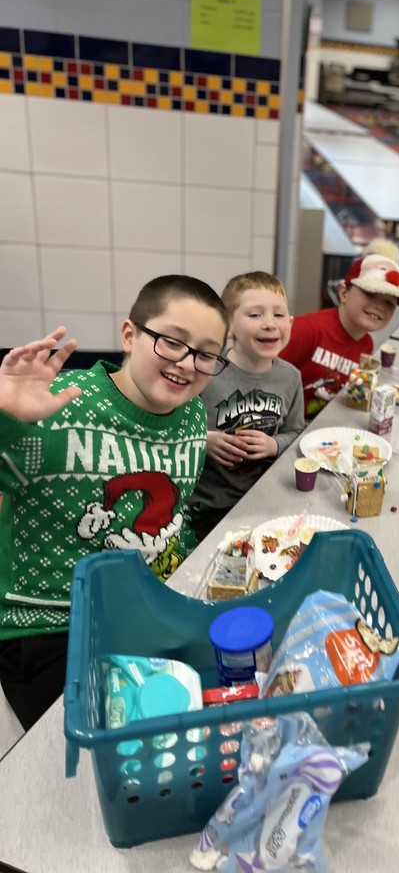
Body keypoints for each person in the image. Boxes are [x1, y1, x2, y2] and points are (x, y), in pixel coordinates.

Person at [0, 274, 229, 730]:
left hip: (152, 602)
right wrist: (3, 414)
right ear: (129, 335)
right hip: (50, 624)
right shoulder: (55, 404)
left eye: (206, 353)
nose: (187, 363)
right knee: (98, 757)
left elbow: (174, 512)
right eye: (171, 341)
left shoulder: (192, 414)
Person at [188, 272, 304, 542]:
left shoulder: (290, 377)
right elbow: (170, 429)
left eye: (278, 314)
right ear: (228, 327)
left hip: (266, 499)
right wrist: (205, 440)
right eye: (255, 315)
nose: (269, 324)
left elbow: (297, 432)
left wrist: (273, 445)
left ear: (290, 323)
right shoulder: (205, 371)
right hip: (208, 505)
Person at [281, 239, 399, 419]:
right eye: (370, 294)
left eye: (389, 303)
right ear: (344, 293)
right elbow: (260, 374)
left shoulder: (366, 345)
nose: (379, 306)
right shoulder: (308, 329)